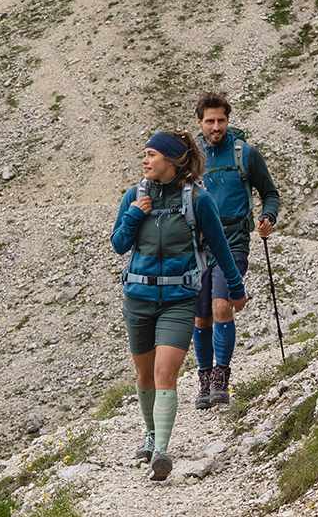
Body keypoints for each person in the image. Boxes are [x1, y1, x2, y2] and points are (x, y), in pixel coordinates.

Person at [110, 131, 248, 481]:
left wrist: (235, 287)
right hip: (138, 298)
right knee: (144, 375)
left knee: (164, 374)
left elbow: (219, 247)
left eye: (152, 154)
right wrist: (134, 215)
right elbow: (118, 244)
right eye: (145, 154)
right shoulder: (133, 196)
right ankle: (150, 434)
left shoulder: (198, 200)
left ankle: (161, 452)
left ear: (172, 160)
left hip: (178, 301)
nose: (145, 161)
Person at [189, 92, 281, 409]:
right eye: (210, 121)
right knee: (200, 318)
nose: (216, 127)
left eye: (221, 120)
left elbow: (270, 193)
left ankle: (220, 377)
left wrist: (268, 217)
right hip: (197, 246)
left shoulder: (245, 154)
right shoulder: (190, 158)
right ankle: (203, 378)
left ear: (228, 120)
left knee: (221, 307)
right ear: (199, 123)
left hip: (234, 242)